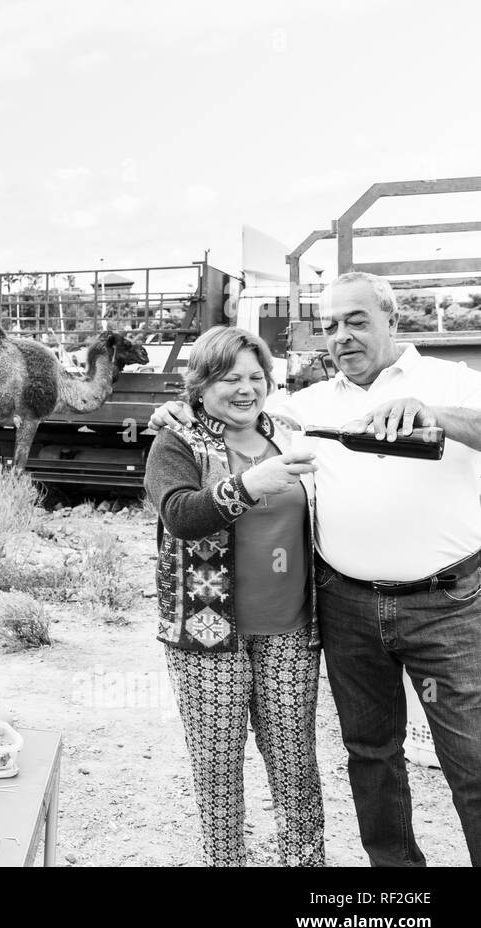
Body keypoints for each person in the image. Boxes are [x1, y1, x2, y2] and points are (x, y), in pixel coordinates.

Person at [150, 272, 481, 866]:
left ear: (391, 320)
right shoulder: (304, 408)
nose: (341, 337)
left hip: (446, 606)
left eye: (356, 321)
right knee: (371, 754)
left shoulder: (451, 380)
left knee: (473, 760)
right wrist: (176, 410)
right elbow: (227, 408)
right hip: (346, 608)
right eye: (329, 326)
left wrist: (433, 412)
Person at [144, 326, 323, 866]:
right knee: (218, 768)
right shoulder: (176, 441)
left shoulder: (290, 433)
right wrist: (249, 485)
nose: (246, 389)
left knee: (295, 759)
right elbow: (179, 515)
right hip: (207, 633)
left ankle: (307, 863)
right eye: (229, 378)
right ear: (199, 386)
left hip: (290, 628)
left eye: (255, 377)